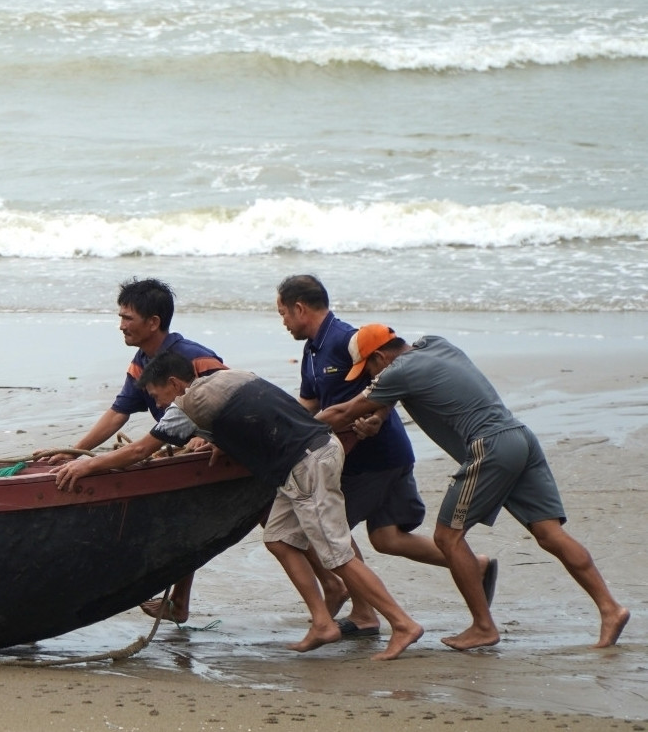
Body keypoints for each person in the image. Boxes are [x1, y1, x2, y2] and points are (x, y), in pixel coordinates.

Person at [55, 352, 425, 660]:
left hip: (307, 462)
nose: (159, 404)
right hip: (304, 459)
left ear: (174, 383)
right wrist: (219, 439)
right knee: (279, 539)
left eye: (158, 395)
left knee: (337, 555)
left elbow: (138, 452)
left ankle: (402, 623)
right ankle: (323, 623)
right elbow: (256, 417)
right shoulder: (232, 378)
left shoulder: (187, 404)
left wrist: (85, 464)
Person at [318, 326, 630, 650]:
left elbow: (344, 411)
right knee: (550, 533)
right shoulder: (435, 344)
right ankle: (611, 608)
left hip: (490, 447)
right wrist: (381, 415)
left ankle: (483, 626)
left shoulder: (397, 372)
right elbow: (404, 389)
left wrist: (297, 429)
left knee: (447, 537)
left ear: (380, 356)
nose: (371, 376)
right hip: (520, 436)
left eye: (369, 369)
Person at [275, 275, 493, 639]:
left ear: (300, 308)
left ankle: (365, 613)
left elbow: (393, 373)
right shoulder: (312, 351)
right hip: (381, 457)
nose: (282, 321)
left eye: (283, 313)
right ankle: (477, 567)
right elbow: (308, 405)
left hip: (372, 458)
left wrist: (377, 415)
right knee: (388, 537)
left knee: (326, 530)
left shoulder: (348, 338)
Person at [69, 277, 226, 622]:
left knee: (280, 527)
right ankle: (179, 603)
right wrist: (75, 452)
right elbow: (118, 413)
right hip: (186, 460)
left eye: (128, 318)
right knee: (186, 529)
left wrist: (210, 436)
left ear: (153, 322)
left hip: (222, 457)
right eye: (121, 317)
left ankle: (340, 594)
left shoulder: (196, 358)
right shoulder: (142, 360)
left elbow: (233, 398)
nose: (121, 325)